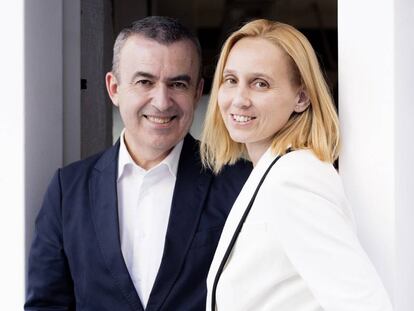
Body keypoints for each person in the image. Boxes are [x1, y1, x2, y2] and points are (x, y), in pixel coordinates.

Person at [25, 16, 251, 311]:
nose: (161, 101)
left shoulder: (239, 183)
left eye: (178, 84)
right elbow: (46, 305)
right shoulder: (68, 191)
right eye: (145, 81)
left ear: (197, 93)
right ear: (114, 88)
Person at [201, 19, 393, 310]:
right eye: (230, 80)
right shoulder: (272, 171)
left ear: (301, 97)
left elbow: (364, 304)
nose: (239, 99)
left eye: (260, 83)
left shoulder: (295, 178)